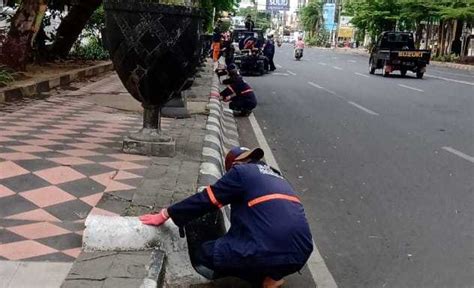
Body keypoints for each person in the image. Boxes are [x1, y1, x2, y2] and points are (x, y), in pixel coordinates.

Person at [140, 147, 314, 288]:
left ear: (235, 165)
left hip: (265, 249)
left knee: (205, 253)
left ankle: (262, 277)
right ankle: (273, 276)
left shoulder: (240, 173)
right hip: (301, 251)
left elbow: (206, 200)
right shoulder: (278, 178)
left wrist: (165, 214)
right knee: (256, 244)